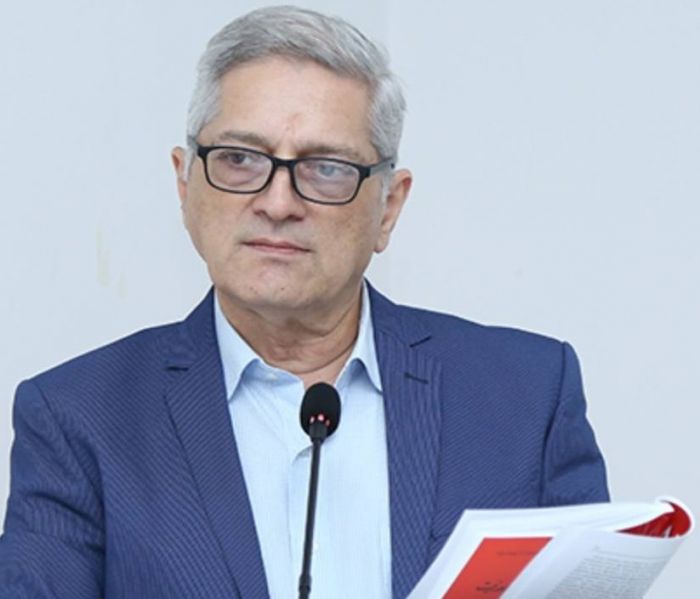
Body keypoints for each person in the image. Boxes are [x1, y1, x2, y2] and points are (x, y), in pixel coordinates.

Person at [0, 6, 608, 599]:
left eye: (326, 168)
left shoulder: (526, 396)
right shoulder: (77, 417)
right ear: (184, 184)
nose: (278, 202)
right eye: (240, 160)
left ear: (388, 207)